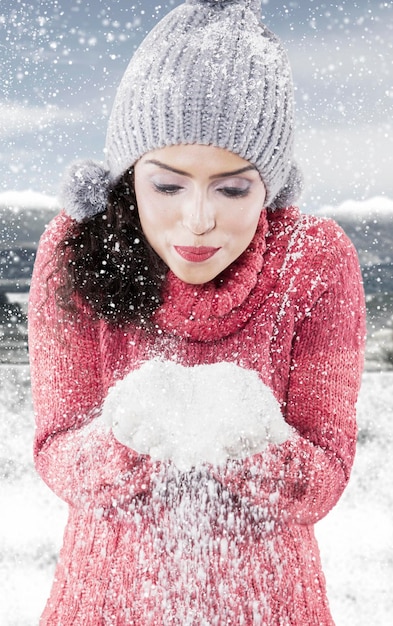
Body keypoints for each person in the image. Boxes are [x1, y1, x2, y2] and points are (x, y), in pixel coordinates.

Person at [28, 0, 366, 624]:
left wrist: (249, 439)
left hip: (272, 609)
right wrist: (130, 433)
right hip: (102, 607)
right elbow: (56, 452)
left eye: (233, 188)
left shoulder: (313, 261)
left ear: (273, 184)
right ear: (128, 177)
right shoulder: (75, 252)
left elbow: (322, 481)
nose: (199, 219)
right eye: (167, 185)